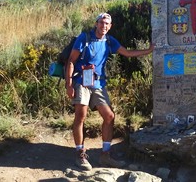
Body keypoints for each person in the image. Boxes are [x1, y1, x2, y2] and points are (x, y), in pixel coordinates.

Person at [64, 12, 154, 170]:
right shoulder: (84, 38)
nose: (103, 26)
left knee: (109, 116)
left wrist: (148, 50)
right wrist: (69, 85)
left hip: (98, 83)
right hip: (81, 82)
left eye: (107, 24)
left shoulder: (109, 41)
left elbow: (126, 53)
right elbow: (71, 61)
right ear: (96, 23)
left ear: (110, 26)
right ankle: (80, 153)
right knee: (80, 116)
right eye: (101, 23)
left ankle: (105, 155)